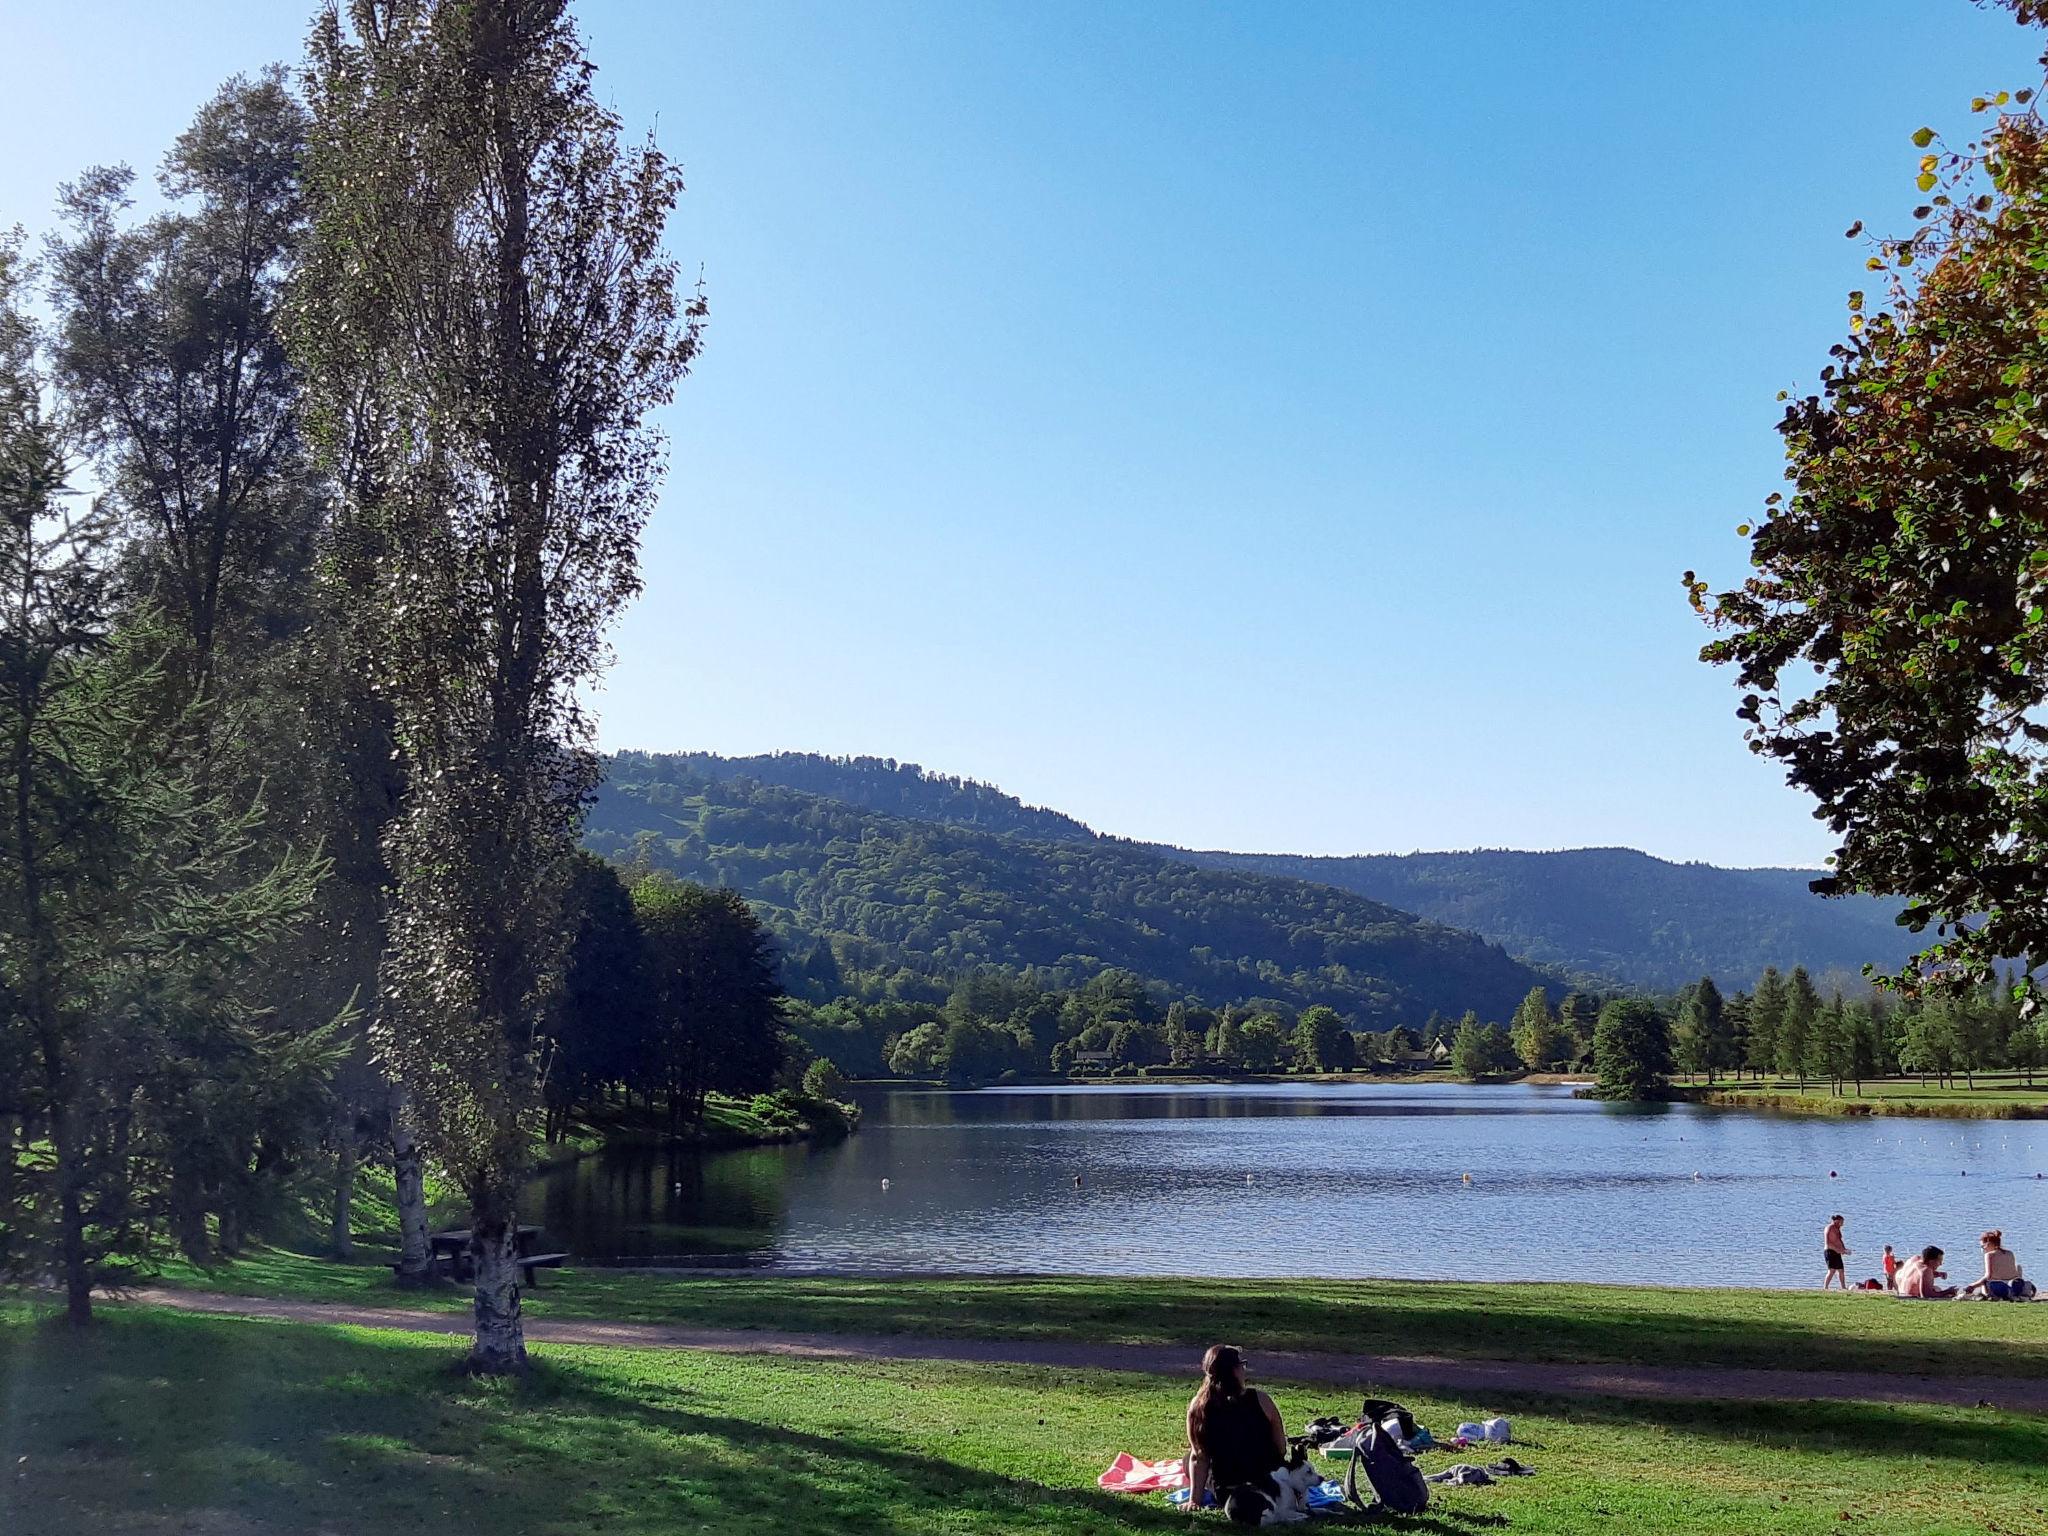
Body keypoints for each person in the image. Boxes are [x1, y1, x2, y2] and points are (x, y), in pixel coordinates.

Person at [1185, 1344, 1286, 1524]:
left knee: (1187, 1460)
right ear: (1235, 1370)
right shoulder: (1262, 1401)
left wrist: (1194, 1500)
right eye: (1242, 1365)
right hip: (1271, 1484)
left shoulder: (1199, 1407)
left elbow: (1199, 1458)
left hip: (1227, 1489)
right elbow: (1281, 1448)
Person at [1963, 1230, 2026, 1299]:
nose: (1982, 1249)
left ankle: (1987, 1296)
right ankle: (2014, 1295)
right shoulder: (2010, 1253)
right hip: (2016, 1287)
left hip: (2000, 1288)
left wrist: (1972, 1286)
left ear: (1988, 1244)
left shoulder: (1989, 1255)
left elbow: (1988, 1276)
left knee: (1984, 1282)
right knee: (2018, 1268)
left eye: (1982, 1246)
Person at [1822, 1214, 1851, 1290]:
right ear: (1837, 1221)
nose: (1842, 1224)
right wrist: (1838, 1250)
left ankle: (1843, 1287)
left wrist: (1844, 1249)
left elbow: (1839, 1240)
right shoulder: (1829, 1228)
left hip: (1837, 1252)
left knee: (1841, 1270)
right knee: (1832, 1270)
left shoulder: (1837, 1229)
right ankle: (1825, 1287)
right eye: (1841, 1222)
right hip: (1830, 1251)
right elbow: (1828, 1243)